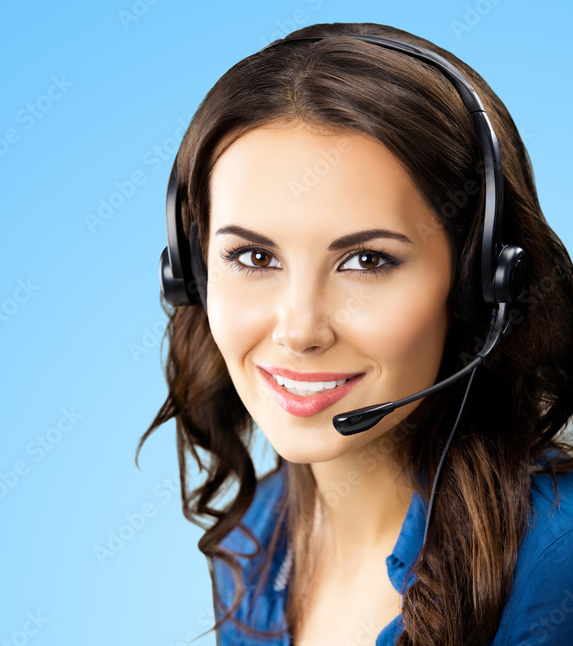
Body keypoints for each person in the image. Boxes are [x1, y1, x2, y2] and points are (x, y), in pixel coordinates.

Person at [137, 21, 573, 646]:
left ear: (480, 284)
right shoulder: (252, 541)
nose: (299, 330)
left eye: (366, 261)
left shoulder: (554, 557)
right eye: (254, 258)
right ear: (192, 274)